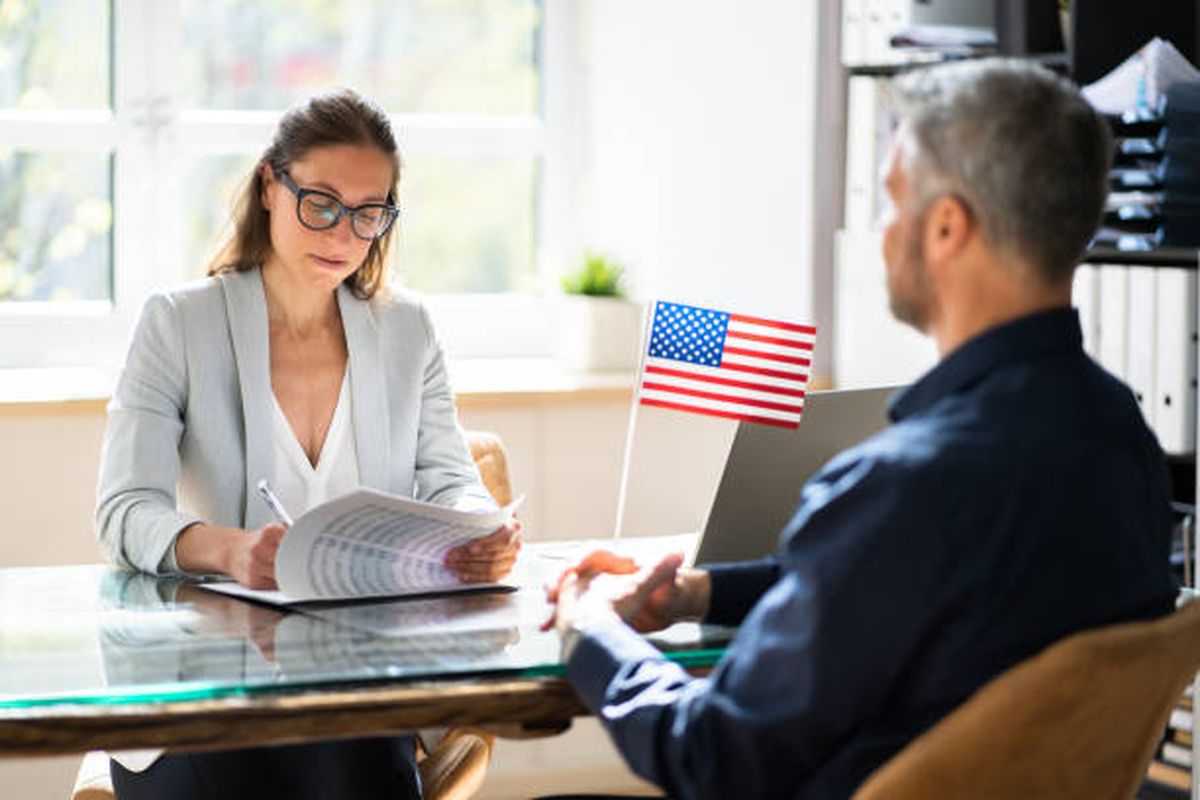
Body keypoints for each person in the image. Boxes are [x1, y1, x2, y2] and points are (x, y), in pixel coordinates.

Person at [545, 58, 1177, 799]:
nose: (881, 235)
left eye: (892, 202)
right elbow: (902, 586)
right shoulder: (1122, 436)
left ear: (946, 226)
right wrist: (698, 593)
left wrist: (591, 631)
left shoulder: (904, 486)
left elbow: (710, 756)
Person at [95, 88, 520, 799]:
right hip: (204, 685)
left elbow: (451, 476)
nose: (343, 235)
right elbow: (122, 511)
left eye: (368, 214)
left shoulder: (408, 330)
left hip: (358, 682)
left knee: (348, 756)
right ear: (270, 184)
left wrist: (479, 527)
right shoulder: (178, 323)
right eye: (320, 203)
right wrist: (231, 549)